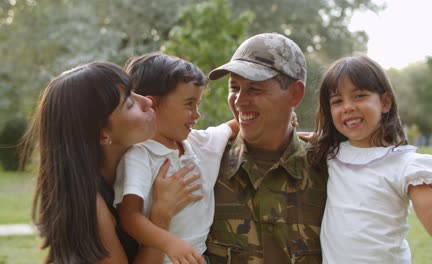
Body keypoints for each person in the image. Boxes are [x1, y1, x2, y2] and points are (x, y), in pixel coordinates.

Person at [21, 61, 201, 264]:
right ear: (102, 135)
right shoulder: (92, 206)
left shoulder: (138, 166)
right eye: (130, 103)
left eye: (134, 91)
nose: (148, 101)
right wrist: (161, 215)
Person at [309, 54, 432, 263]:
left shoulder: (405, 166)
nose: (347, 106)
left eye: (359, 96)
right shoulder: (330, 153)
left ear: (385, 102)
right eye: (337, 101)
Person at [204, 32, 328, 264]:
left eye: (255, 89)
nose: (240, 101)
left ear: (295, 93)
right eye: (234, 87)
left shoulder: (328, 170)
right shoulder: (207, 166)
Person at [114, 52, 239, 264]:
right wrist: (169, 243)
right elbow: (130, 217)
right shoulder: (140, 156)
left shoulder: (198, 143)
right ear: (152, 105)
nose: (196, 114)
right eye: (189, 104)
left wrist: (292, 128)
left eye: (198, 104)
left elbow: (234, 127)